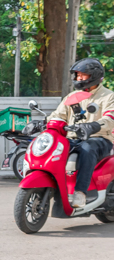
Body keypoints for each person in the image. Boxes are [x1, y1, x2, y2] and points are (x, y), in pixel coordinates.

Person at [47, 58, 114, 208]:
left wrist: (94, 126)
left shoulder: (109, 96)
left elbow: (110, 119)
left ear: (94, 76)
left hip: (99, 139)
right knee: (54, 147)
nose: (78, 78)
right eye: (77, 75)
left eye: (82, 75)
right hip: (74, 138)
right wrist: (43, 122)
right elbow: (58, 115)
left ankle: (80, 193)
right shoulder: (72, 97)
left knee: (87, 147)